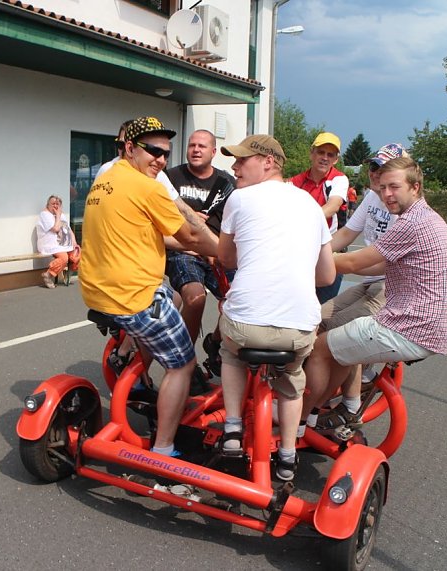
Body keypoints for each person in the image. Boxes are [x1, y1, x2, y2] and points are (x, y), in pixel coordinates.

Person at [79, 116, 218, 458]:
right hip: (131, 296)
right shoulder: (149, 187)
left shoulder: (106, 179)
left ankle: (134, 373)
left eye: (165, 153)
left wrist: (192, 243)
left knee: (170, 296)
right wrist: (227, 251)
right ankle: (164, 447)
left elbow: (149, 232)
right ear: (130, 147)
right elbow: (190, 235)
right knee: (182, 363)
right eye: (152, 150)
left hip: (97, 289)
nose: (160, 159)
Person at [304, 157, 447, 431]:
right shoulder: (425, 217)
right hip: (425, 324)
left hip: (412, 327)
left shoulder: (411, 223)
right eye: (384, 187)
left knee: (319, 346)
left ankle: (295, 420)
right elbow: (376, 265)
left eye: (395, 187)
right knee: (339, 345)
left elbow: (353, 263)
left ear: (415, 187)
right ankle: (317, 411)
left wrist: (302, 258)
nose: (387, 194)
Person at [215, 134, 336, 482]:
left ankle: (234, 428)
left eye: (242, 160)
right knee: (291, 378)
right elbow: (327, 275)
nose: (235, 167)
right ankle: (286, 455)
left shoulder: (239, 198)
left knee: (232, 353)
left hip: (246, 327)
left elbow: (225, 258)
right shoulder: (313, 207)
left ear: (268, 161)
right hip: (297, 328)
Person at [300, 144, 406, 432]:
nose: (375, 173)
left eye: (383, 169)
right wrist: (309, 252)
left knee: (329, 334)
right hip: (370, 281)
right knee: (313, 319)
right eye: (373, 167)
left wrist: (336, 263)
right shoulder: (373, 197)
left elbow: (382, 262)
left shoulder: (402, 208)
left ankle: (325, 410)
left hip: (391, 288)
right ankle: (342, 398)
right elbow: (346, 233)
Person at [164, 129, 236, 376]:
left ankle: (214, 343)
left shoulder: (227, 184)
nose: (195, 149)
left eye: (202, 146)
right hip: (182, 251)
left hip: (216, 253)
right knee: (195, 298)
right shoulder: (170, 177)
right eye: (192, 145)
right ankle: (185, 362)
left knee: (243, 297)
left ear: (213, 152)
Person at [289, 132, 349, 303]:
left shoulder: (338, 179)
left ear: (336, 159)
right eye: (321, 152)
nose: (325, 158)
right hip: (301, 251)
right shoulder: (297, 181)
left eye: (330, 155)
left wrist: (301, 221)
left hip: (328, 251)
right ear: (311, 153)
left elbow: (333, 207)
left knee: (321, 310)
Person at [36, 195, 80, 289]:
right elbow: (56, 229)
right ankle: (48, 275)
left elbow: (69, 229)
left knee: (78, 253)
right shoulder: (44, 214)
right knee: (64, 258)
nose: (55, 206)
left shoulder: (61, 214)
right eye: (53, 204)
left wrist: (74, 242)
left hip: (63, 244)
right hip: (50, 244)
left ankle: (68, 273)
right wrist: (58, 216)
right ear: (48, 205)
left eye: (58, 204)